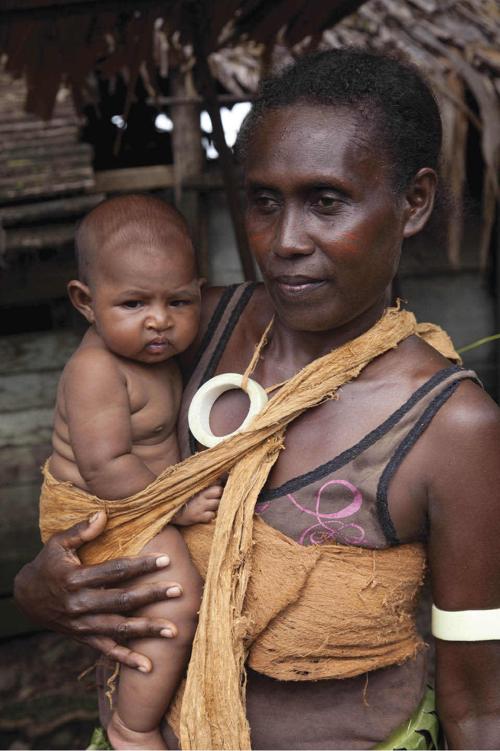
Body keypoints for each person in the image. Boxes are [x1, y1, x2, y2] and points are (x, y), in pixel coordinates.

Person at [15, 49, 500, 749]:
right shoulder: (181, 329)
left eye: (326, 201)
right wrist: (41, 589)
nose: (285, 241)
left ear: (414, 202)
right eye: (264, 201)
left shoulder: (452, 427)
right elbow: (79, 492)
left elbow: (482, 705)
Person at [42, 193, 222, 750]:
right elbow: (105, 466)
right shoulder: (96, 369)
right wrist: (177, 504)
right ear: (85, 301)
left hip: (137, 502)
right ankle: (131, 727)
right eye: (134, 303)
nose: (160, 321)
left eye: (180, 301)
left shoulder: (155, 357)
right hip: (98, 512)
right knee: (175, 593)